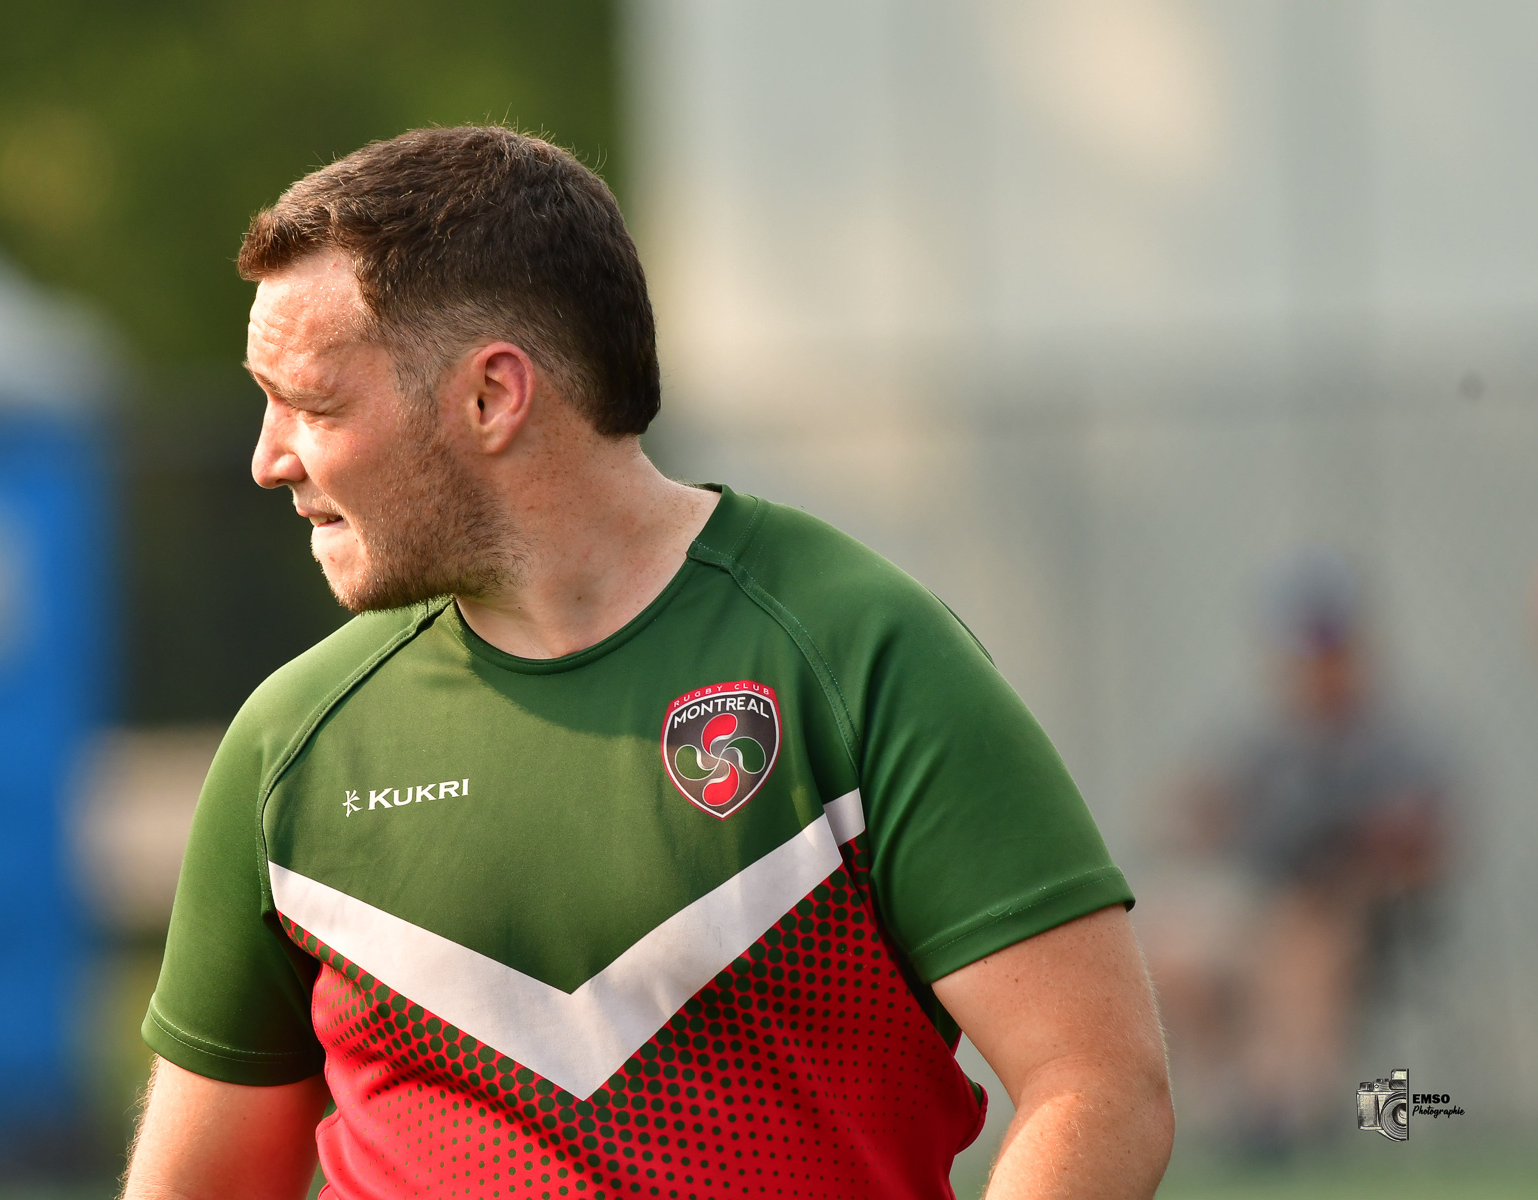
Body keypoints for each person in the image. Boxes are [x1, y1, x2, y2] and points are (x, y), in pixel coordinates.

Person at [122, 126, 1172, 1200]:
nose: (268, 457)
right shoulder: (290, 744)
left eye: (313, 402)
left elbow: (1096, 1083)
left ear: (492, 397)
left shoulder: (859, 657)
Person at [1146, 553, 1450, 1153]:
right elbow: (1188, 816)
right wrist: (1202, 817)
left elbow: (1424, 851)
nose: (1316, 668)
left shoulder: (1398, 743)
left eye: (1329, 650)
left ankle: (1294, 1114)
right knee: (1170, 942)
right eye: (1304, 653)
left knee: (1307, 936)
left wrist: (1372, 852)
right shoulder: (1266, 744)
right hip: (1264, 909)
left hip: (1363, 922)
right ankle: (1237, 1109)